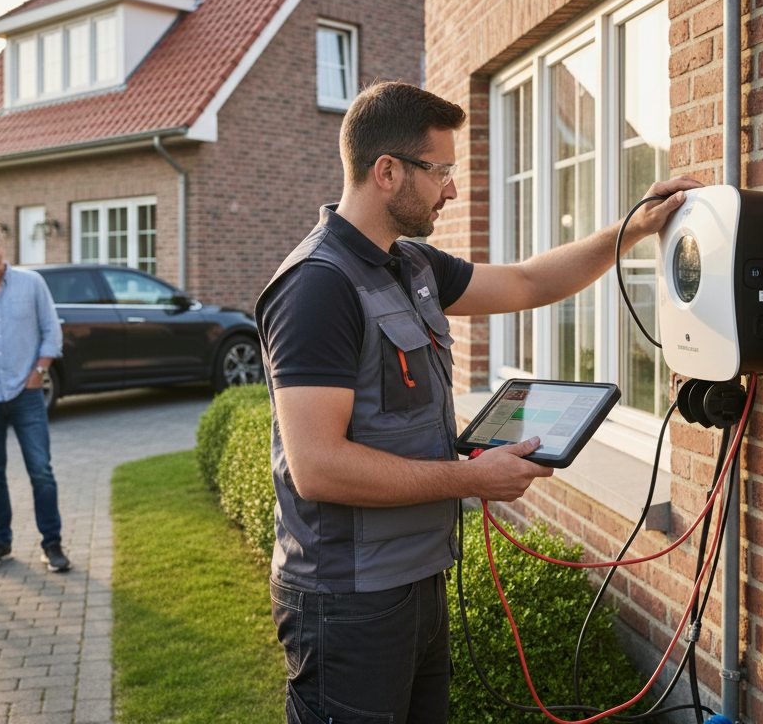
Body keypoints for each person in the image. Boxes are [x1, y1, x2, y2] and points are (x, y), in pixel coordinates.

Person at [255, 81, 701, 723]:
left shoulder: (409, 265)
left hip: (416, 581)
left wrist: (632, 227)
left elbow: (525, 281)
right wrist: (472, 478)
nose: (453, 189)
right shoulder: (317, 287)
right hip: (347, 601)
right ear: (387, 172)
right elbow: (318, 466)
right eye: (441, 172)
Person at [0, 222, 71, 573]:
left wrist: (39, 372)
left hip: (26, 393)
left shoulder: (31, 283)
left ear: (2, 246)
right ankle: (0, 543)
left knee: (41, 472)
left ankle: (52, 545)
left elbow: (52, 331)